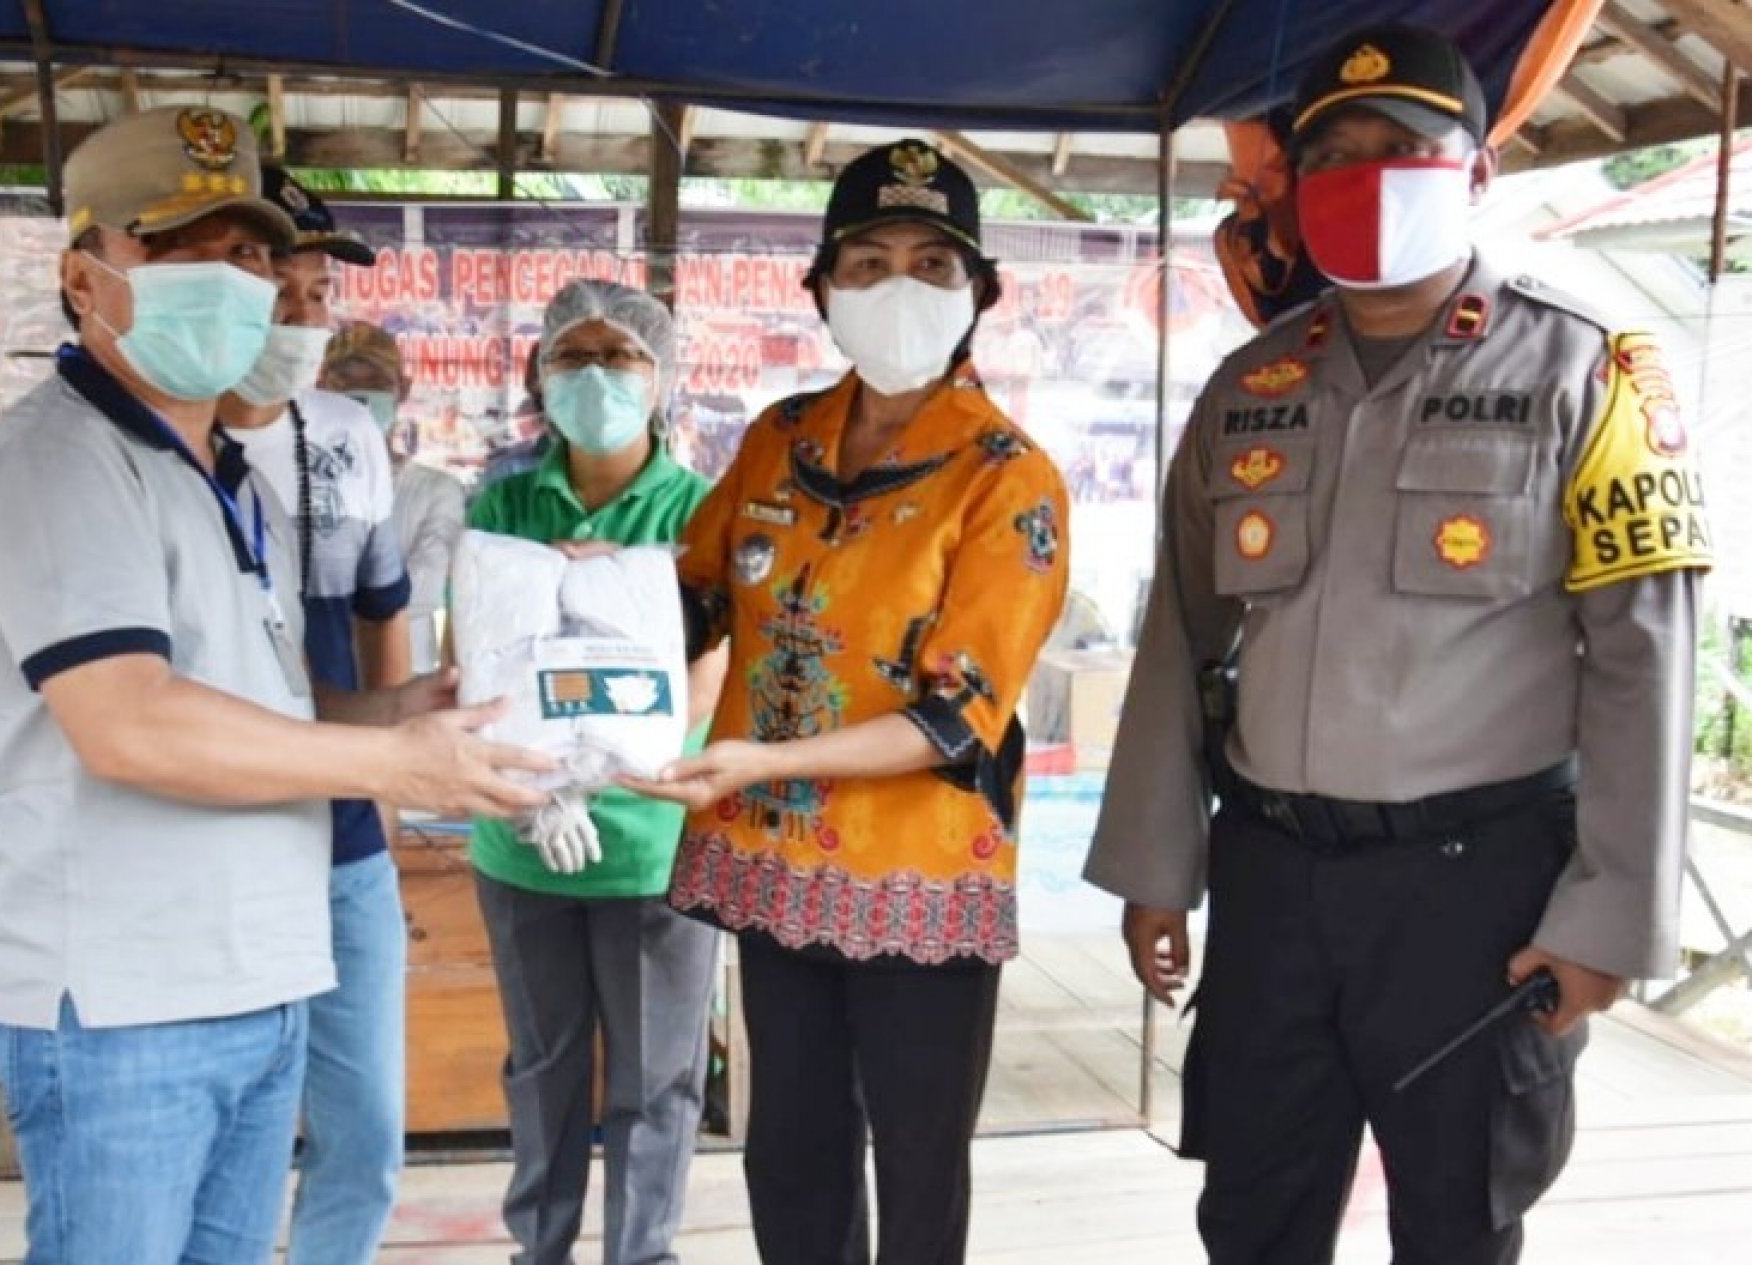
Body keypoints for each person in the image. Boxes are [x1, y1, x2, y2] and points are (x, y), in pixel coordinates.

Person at [1083, 25, 1710, 1264]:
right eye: (1337, 152)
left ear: (1474, 174)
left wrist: (1610, 918)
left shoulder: (1591, 374)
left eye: (1404, 148)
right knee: (1254, 1210)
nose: (1369, 173)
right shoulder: (1247, 388)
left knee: (1457, 1217)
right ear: (1301, 188)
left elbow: (1646, 660)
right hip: (1274, 879)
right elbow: (1180, 637)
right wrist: (1162, 860)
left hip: (1477, 892)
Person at [0, 106, 551, 1265]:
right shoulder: (59, 459)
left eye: (249, 255)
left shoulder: (221, 475)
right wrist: (386, 763)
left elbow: (252, 709)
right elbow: (126, 718)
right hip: (127, 1004)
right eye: (180, 248)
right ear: (87, 277)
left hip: (257, 980)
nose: (232, 282)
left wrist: (401, 708)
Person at [628, 140, 1069, 1265]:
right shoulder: (778, 437)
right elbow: (695, 596)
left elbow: (957, 717)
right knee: (793, 1150)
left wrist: (762, 760)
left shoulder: (1008, 476)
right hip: (778, 867)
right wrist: (587, 605)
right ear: (820, 287)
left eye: (932, 262)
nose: (897, 288)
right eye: (866, 261)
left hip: (920, 876)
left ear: (981, 294)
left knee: (918, 1163)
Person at [465, 278, 727, 1265]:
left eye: (621, 357)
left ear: (661, 377)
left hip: (654, 844)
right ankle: (540, 1248)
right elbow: (479, 668)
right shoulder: (504, 501)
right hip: (521, 833)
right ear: (540, 371)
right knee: (542, 1066)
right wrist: (542, 784)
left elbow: (709, 671)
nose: (597, 375)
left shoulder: (699, 511)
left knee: (658, 1078)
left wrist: (607, 756)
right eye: (574, 355)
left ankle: (641, 1252)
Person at [217, 168, 412, 1265]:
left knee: (370, 1124)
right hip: (226, 832)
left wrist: (382, 784)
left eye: (313, 296)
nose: (299, 317)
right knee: (244, 1123)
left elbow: (385, 617)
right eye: (275, 291)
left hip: (342, 835)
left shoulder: (346, 432)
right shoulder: (164, 438)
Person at [321, 319, 467, 675]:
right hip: (318, 677)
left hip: (406, 678)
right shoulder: (299, 486)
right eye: (346, 384)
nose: (359, 395)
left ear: (402, 388)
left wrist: (329, 602)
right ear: (320, 387)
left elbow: (426, 588)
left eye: (375, 383)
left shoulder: (436, 490)